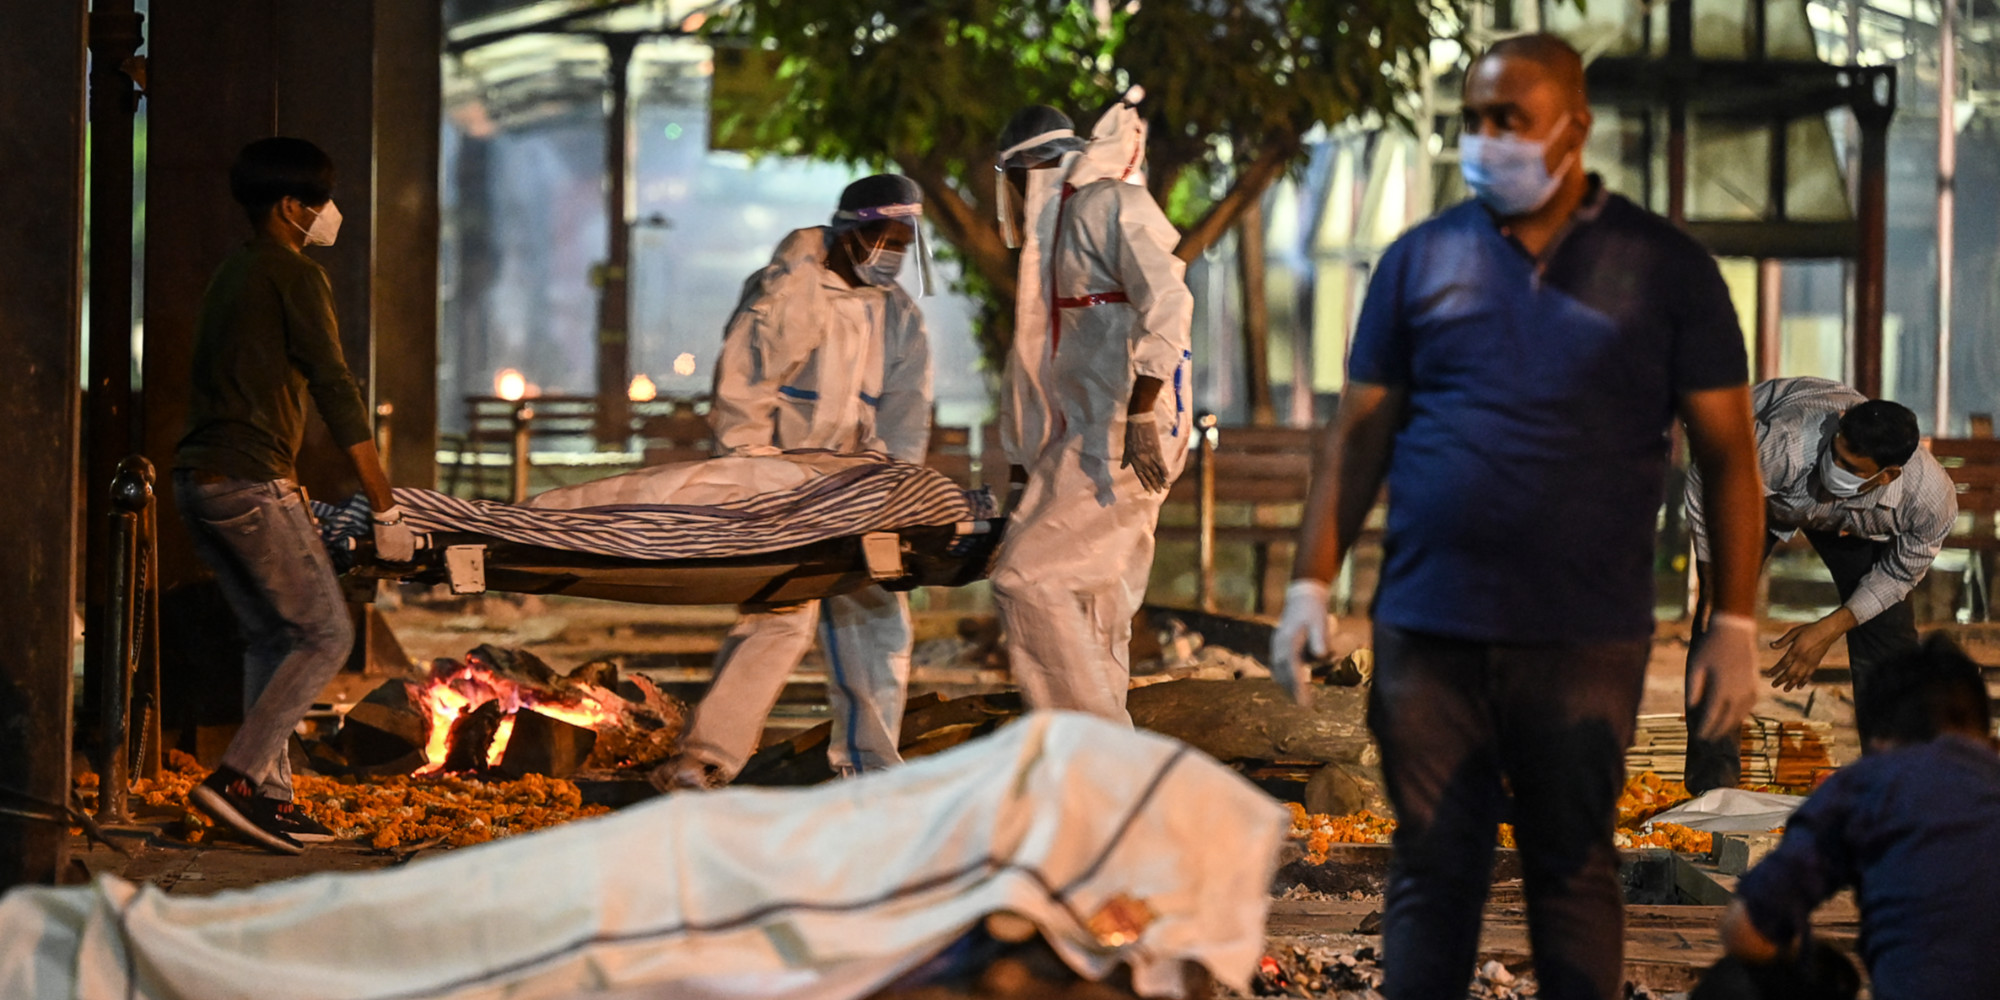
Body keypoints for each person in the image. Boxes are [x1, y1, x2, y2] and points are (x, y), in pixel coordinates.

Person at [1269, 35, 1767, 1000]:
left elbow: (1730, 456)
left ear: (1575, 127)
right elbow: (1359, 436)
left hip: (1583, 635)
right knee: (1432, 867)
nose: (1486, 139)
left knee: (1570, 865)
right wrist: (1309, 582)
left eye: (1511, 119)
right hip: (1429, 627)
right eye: (1473, 119)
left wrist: (1737, 622)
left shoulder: (1664, 269)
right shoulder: (1422, 260)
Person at [656, 174, 934, 790]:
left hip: (857, 490)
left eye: (903, 242)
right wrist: (754, 478)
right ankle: (705, 760)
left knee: (877, 619)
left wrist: (891, 492)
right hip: (779, 484)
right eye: (886, 239)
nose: (893, 253)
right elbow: (743, 392)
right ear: (852, 231)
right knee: (779, 617)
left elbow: (906, 416)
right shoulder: (785, 295)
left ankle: (871, 769)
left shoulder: (898, 316)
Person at [177, 137, 414, 855]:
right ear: (290, 207)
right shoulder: (295, 273)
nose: (329, 214)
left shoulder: (233, 271)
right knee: (327, 633)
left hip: (199, 482)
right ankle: (236, 781)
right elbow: (335, 386)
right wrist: (384, 503)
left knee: (273, 637)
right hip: (250, 479)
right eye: (320, 201)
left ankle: (266, 799)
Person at [987, 94, 1194, 723]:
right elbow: (1038, 367)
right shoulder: (1056, 233)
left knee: (1026, 579)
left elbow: (1170, 303)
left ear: (1026, 170)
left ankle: (1095, 747)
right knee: (1097, 609)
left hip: (1121, 434)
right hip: (1084, 436)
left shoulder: (1108, 204)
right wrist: (1023, 470)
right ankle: (1105, 767)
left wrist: (1142, 411)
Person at [1682, 377, 1956, 792]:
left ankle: (1895, 786)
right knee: (1717, 623)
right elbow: (1708, 479)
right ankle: (1713, 789)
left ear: (1888, 475)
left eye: (1851, 468)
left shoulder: (1929, 499)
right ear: (1839, 425)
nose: (1835, 469)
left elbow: (1900, 574)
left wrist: (1828, 628)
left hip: (1857, 524)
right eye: (1836, 454)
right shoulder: (1787, 443)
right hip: (1759, 497)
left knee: (1890, 641)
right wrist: (1711, 580)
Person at [1701, 634, 2000, 999]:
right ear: (1990, 741)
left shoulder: (1865, 785)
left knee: (1733, 983)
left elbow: (1746, 930)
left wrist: (1811, 958)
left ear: (1877, 743)